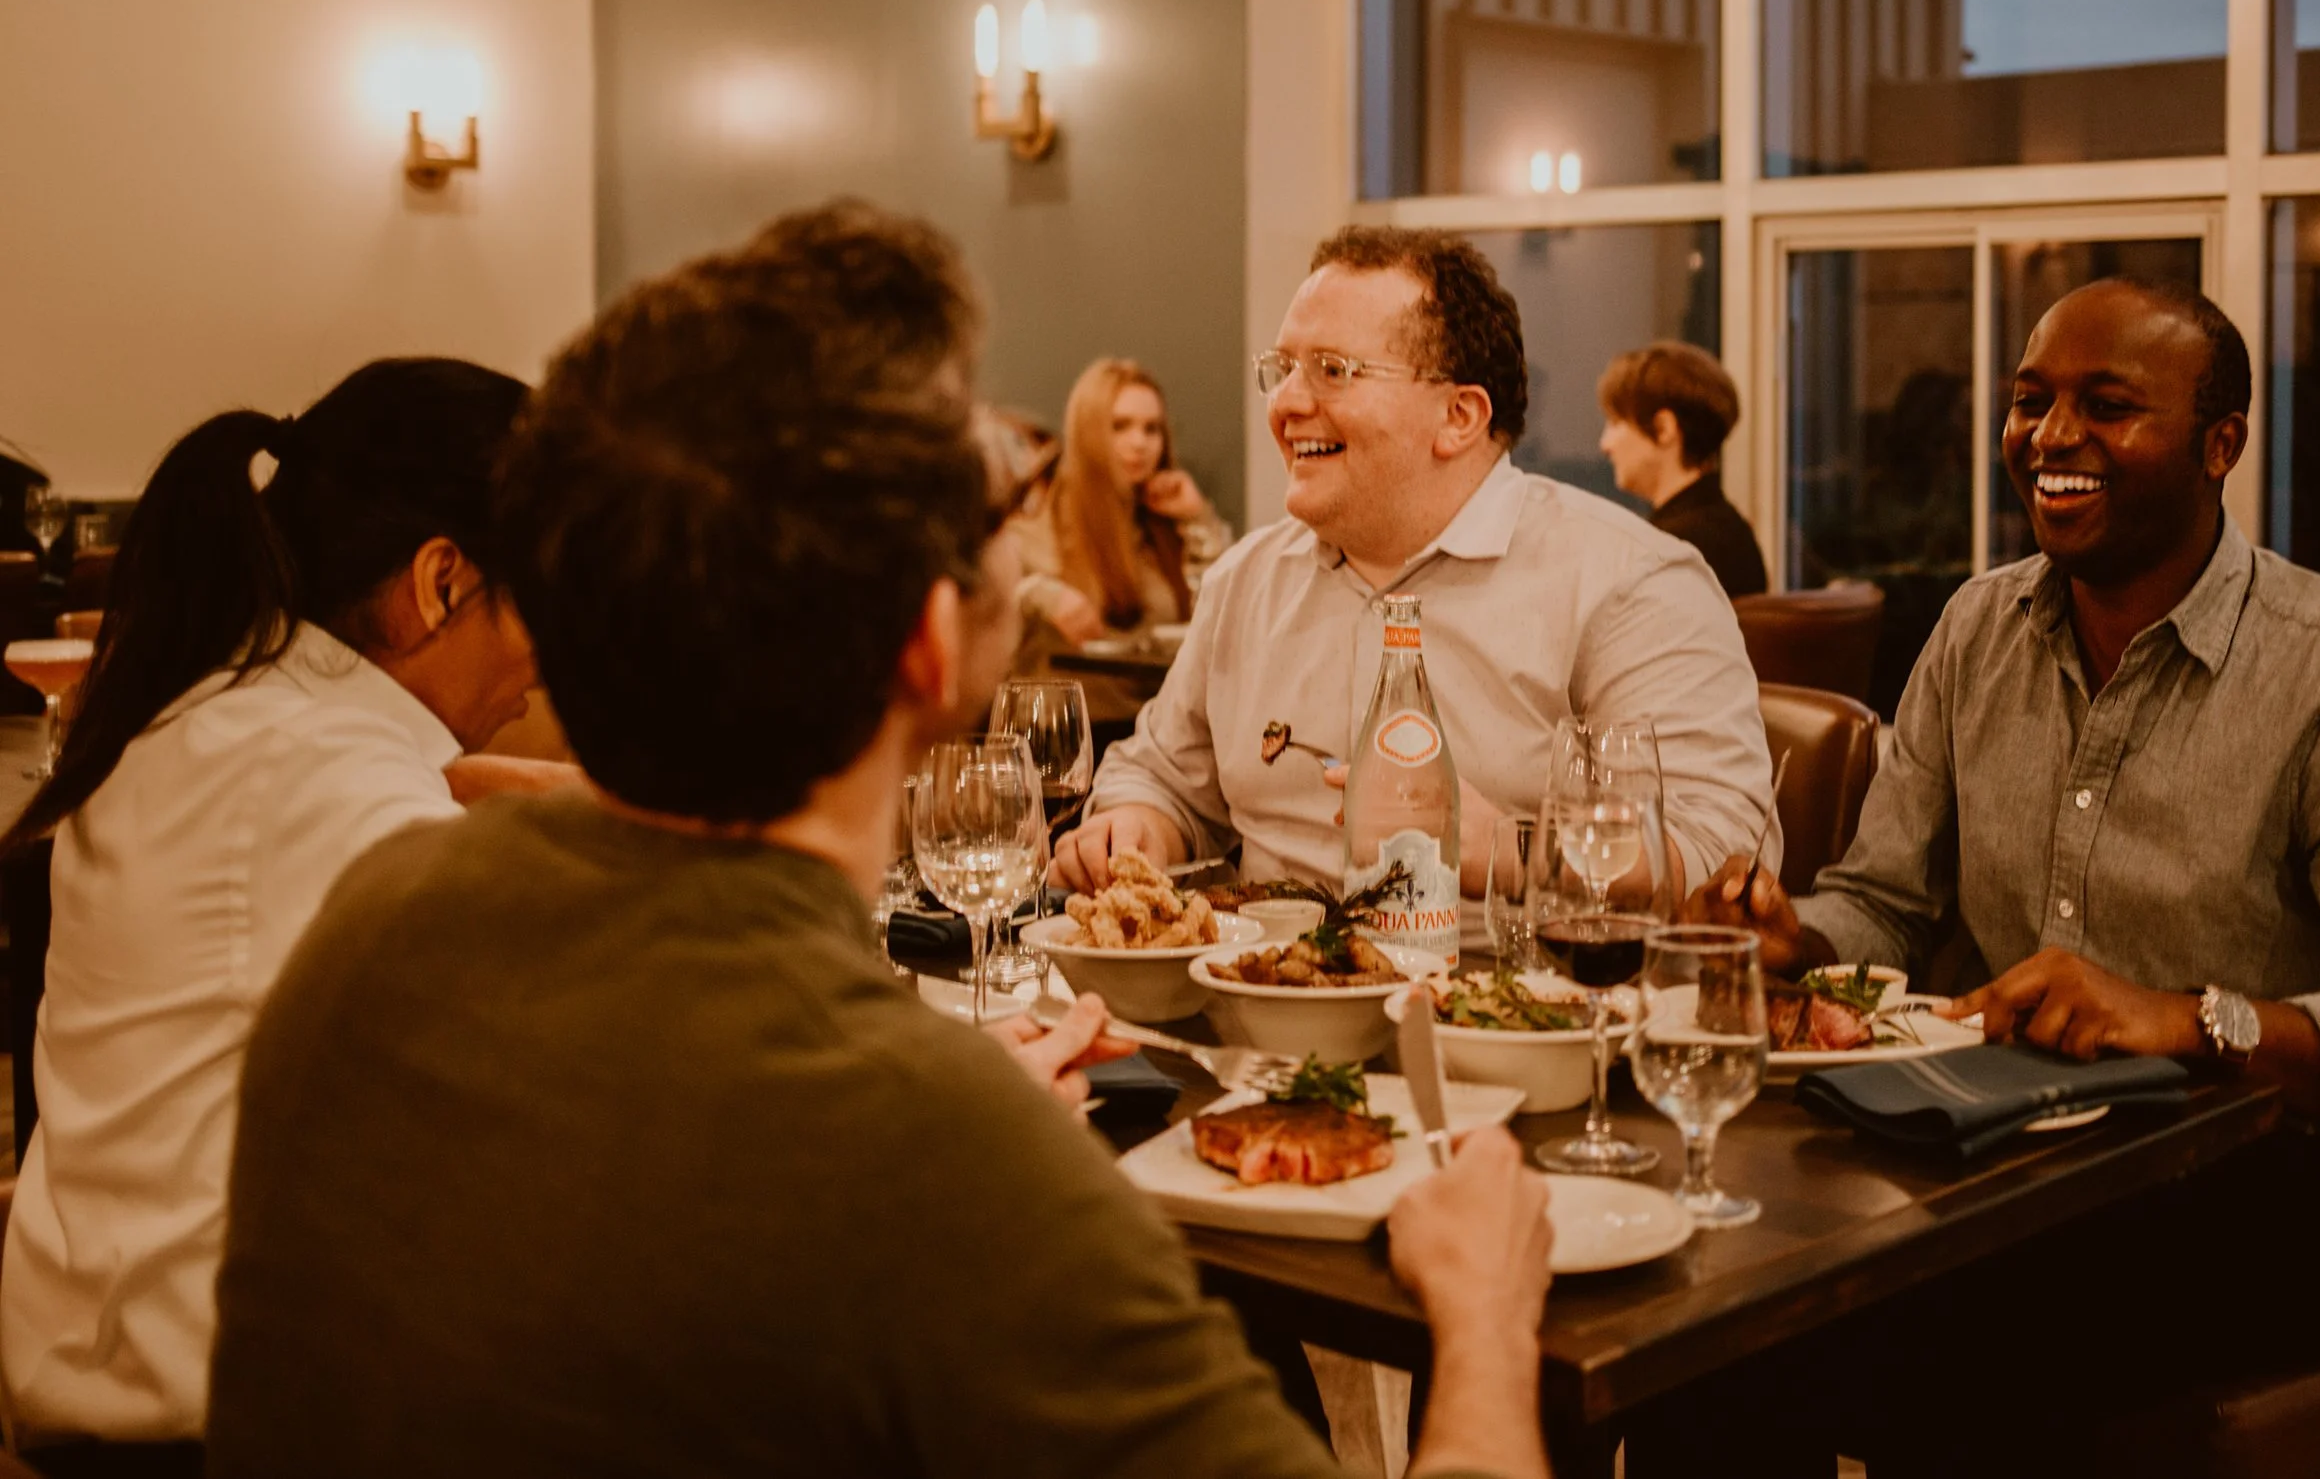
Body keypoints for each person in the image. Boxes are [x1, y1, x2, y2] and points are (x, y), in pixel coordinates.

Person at [204, 201, 1556, 1479]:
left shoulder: (373, 926)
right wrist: (1483, 1315)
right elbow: (844, 1160)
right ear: (928, 639)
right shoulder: (924, 1145)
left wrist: (964, 1132)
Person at [1680, 277, 2320, 1473]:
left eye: (2106, 405)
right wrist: (1795, 938)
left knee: (1957, 1363)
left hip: (2273, 1187)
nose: (2051, 437)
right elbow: (1886, 904)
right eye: (2030, 401)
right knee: (1708, 1333)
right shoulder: (1974, 628)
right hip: (1998, 1165)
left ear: (2220, 445)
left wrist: (2188, 1021)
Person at [0, 359, 569, 1463]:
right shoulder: (325, 786)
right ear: (442, 580)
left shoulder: (222, 706)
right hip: (207, 1425)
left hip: (94, 1361)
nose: (548, 655)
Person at [1053, 226, 1775, 914]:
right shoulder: (1246, 581)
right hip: (1248, 1016)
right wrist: (1136, 824)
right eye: (1283, 370)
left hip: (1509, 1019)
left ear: (1459, 416)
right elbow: (1163, 778)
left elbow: (1725, 861)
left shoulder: (1629, 585)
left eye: (1332, 370)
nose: (1286, 402)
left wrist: (1515, 852)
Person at [1008, 357, 1232, 655]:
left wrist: (1196, 518)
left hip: (1159, 697)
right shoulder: (1035, 529)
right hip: (1073, 698)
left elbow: (1224, 615)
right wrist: (1038, 596)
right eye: (1120, 426)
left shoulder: (1161, 527)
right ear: (1087, 432)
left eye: (1152, 429)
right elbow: (980, 607)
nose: (1139, 443)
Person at [1595, 340, 1766, 598]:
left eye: (1616, 423)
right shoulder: (1730, 529)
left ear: (1664, 428)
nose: (1605, 445)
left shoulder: (1671, 549)